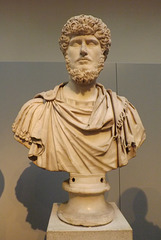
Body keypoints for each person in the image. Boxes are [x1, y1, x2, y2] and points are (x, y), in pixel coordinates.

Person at [12, 15, 146, 174]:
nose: (83, 51)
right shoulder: (38, 112)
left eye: (91, 43)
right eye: (76, 43)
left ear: (103, 54)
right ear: (66, 54)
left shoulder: (123, 113)